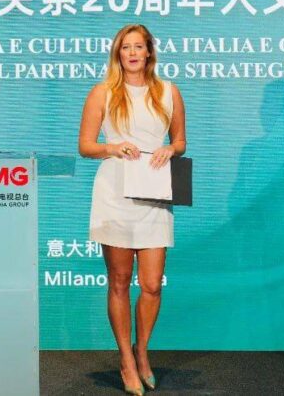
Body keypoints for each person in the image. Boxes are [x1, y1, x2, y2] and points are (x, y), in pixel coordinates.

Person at [78, 23, 186, 395]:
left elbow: (180, 141)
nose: (133, 53)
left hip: (155, 190)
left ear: (149, 52)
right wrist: (113, 147)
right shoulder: (103, 92)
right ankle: (126, 358)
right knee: (120, 281)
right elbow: (85, 146)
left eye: (139, 46)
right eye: (126, 47)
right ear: (118, 54)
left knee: (152, 284)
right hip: (116, 191)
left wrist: (170, 149)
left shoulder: (169, 91)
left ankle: (142, 351)